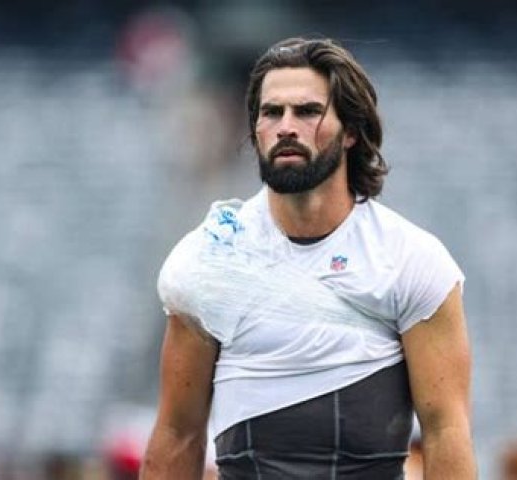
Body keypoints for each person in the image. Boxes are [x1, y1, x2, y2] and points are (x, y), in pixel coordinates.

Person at [141, 37, 476, 479]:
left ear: (350, 131)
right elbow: (178, 433)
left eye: (307, 111)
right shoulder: (208, 260)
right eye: (271, 112)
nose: (285, 127)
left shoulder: (412, 260)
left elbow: (446, 432)